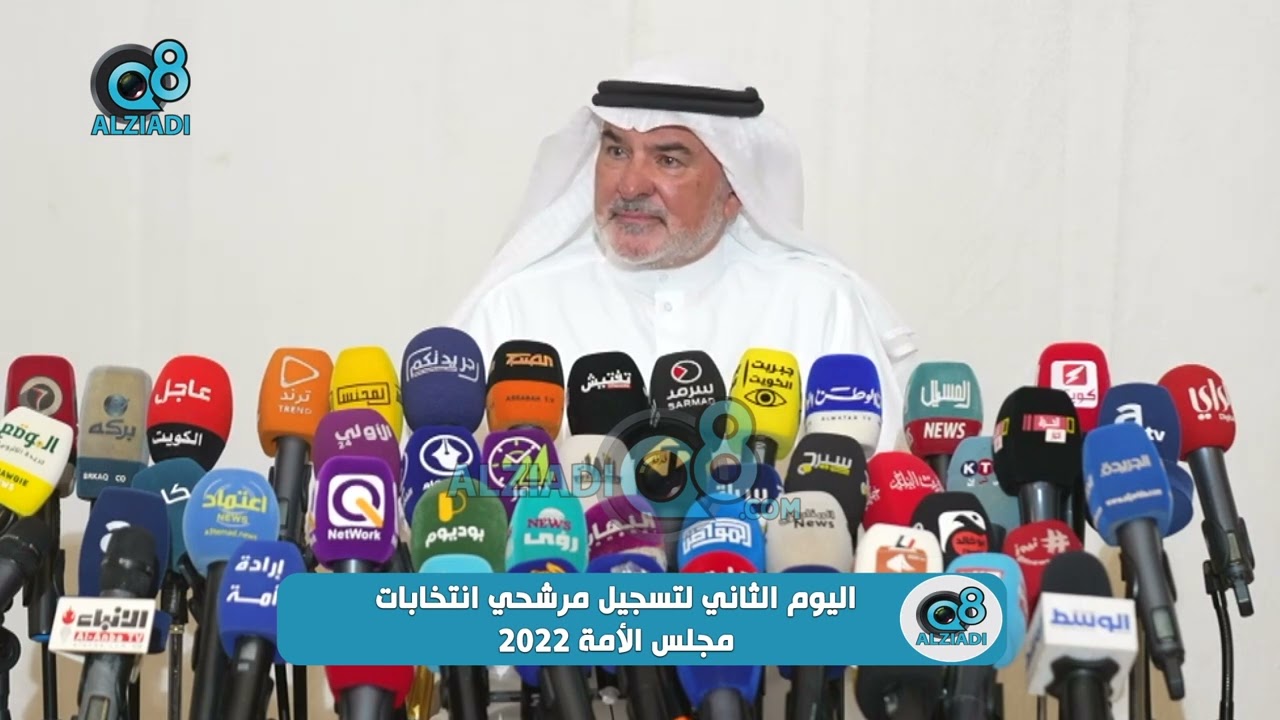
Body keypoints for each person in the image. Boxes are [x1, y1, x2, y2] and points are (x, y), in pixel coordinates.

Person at [451, 56, 920, 453]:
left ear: (734, 191)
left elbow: (874, 481)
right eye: (616, 151)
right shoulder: (516, 308)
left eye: (668, 160)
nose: (630, 185)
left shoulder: (816, 305)